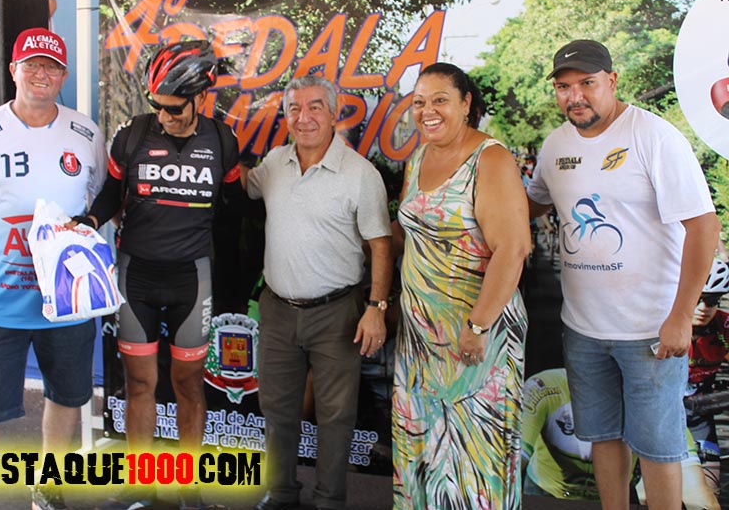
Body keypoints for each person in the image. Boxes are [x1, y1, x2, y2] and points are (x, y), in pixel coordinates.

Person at [526, 39, 721, 510]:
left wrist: (680, 317)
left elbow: (703, 226)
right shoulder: (556, 145)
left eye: (587, 83)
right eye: (564, 87)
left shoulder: (653, 136)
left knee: (658, 448)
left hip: (650, 332)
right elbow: (529, 206)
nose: (575, 96)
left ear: (612, 81)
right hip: (583, 329)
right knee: (603, 438)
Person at [0, 27, 106, 510]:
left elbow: (101, 206)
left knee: (67, 400)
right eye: (31, 64)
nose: (41, 74)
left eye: (51, 67)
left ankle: (46, 493)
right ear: (13, 70)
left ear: (63, 76)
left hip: (67, 302)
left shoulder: (86, 133)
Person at [71, 40, 239, 510]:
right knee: (140, 385)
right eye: (156, 106)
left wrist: (234, 281)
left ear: (201, 97)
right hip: (137, 276)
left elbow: (231, 216)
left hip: (191, 279)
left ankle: (190, 490)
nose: (163, 116)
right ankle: (140, 486)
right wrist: (90, 221)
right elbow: (111, 193)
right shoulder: (133, 135)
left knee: (188, 385)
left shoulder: (222, 141)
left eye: (174, 108)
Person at [240, 74, 392, 510]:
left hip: (337, 312)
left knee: (336, 415)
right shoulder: (275, 163)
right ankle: (281, 494)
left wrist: (377, 308)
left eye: (314, 107)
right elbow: (245, 183)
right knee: (277, 410)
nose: (303, 117)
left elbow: (381, 245)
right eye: (294, 109)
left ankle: (330, 501)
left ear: (333, 113)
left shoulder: (360, 174)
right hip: (277, 309)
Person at [392, 62, 531, 509]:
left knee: (473, 460)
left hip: (474, 337)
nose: (427, 111)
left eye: (440, 100)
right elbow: (411, 233)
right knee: (423, 455)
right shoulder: (418, 159)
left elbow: (513, 248)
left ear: (466, 103)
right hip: (420, 341)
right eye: (419, 102)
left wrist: (479, 324)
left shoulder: (491, 159)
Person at [521, 368, 720, 509]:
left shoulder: (654, 403)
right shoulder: (545, 389)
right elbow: (511, 462)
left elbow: (695, 493)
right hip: (547, 494)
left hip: (617, 496)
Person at [685, 258, 729, 491]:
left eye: (711, 301)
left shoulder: (723, 326)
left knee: (709, 490)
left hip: (698, 414)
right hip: (657, 413)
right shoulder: (660, 318)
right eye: (697, 298)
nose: (703, 308)